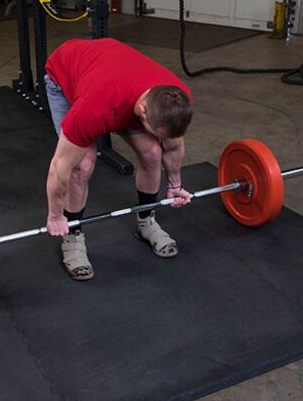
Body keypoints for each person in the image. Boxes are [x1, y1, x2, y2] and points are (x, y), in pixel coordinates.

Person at [44, 37, 193, 281]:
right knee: (81, 165)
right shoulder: (94, 109)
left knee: (153, 152)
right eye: (154, 131)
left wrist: (175, 185)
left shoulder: (177, 98)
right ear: (143, 112)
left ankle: (146, 222)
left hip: (113, 70)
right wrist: (55, 215)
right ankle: (72, 235)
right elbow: (60, 167)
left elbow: (172, 145)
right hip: (66, 75)